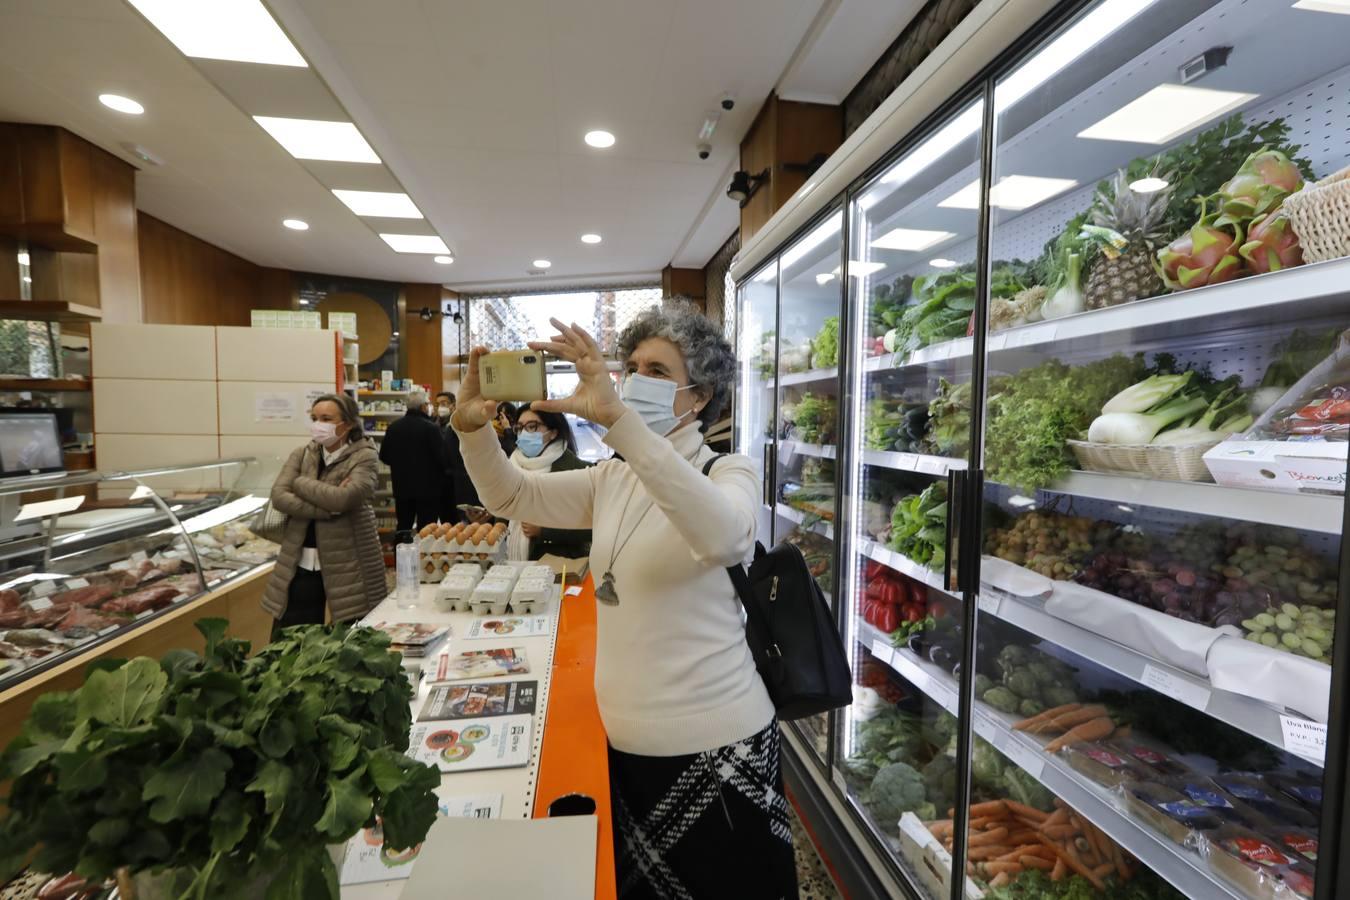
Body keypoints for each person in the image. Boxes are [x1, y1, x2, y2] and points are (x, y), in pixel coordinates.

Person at [452, 303, 795, 899]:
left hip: (716, 746)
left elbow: (725, 538)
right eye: (632, 365)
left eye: (658, 371)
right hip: (625, 740)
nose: (637, 380)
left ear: (700, 394)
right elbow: (511, 495)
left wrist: (620, 423)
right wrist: (473, 429)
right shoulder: (612, 478)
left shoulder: (728, 470)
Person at [261, 393, 386, 636]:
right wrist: (328, 507)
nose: (318, 425)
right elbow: (278, 496)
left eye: (326, 418)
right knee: (294, 637)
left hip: (349, 561)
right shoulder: (303, 453)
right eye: (314, 418)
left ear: (347, 424)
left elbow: (346, 498)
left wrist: (299, 483)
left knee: (351, 637)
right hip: (301, 560)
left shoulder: (365, 456)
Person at [506, 403, 592, 561]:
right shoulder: (510, 466)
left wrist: (544, 530)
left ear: (553, 432)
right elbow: (507, 512)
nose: (524, 433)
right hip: (515, 562)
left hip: (559, 566)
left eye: (532, 426)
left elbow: (594, 526)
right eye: (519, 427)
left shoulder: (578, 471)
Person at [378, 391, 448, 532]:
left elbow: (384, 456)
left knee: (403, 527)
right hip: (428, 490)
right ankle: (424, 554)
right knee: (427, 530)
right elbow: (443, 458)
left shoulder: (394, 428)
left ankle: (400, 553)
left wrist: (401, 465)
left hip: (402, 488)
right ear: (423, 407)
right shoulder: (431, 428)